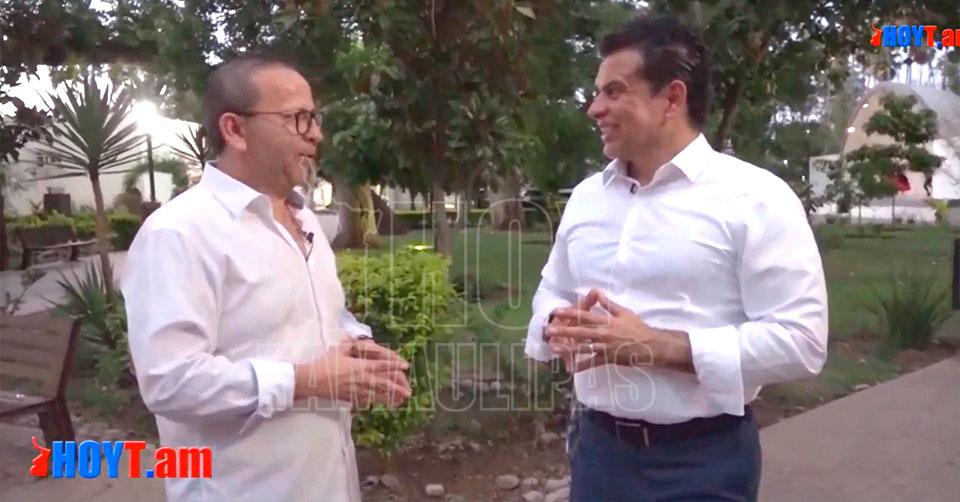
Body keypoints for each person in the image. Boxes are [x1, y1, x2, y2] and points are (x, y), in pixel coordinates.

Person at [524, 15, 828, 501]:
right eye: (597, 92)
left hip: (702, 463)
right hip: (596, 452)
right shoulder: (586, 198)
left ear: (672, 98)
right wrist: (557, 324)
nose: (594, 108)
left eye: (614, 91)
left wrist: (659, 347)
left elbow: (802, 341)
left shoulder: (757, 199)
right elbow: (553, 288)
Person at [122, 55, 412, 502]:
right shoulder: (178, 233)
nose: (316, 134)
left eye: (314, 118)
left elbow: (319, 317)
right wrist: (305, 381)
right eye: (298, 118)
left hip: (328, 483)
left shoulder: (304, 219)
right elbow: (169, 381)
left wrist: (355, 345)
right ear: (235, 129)